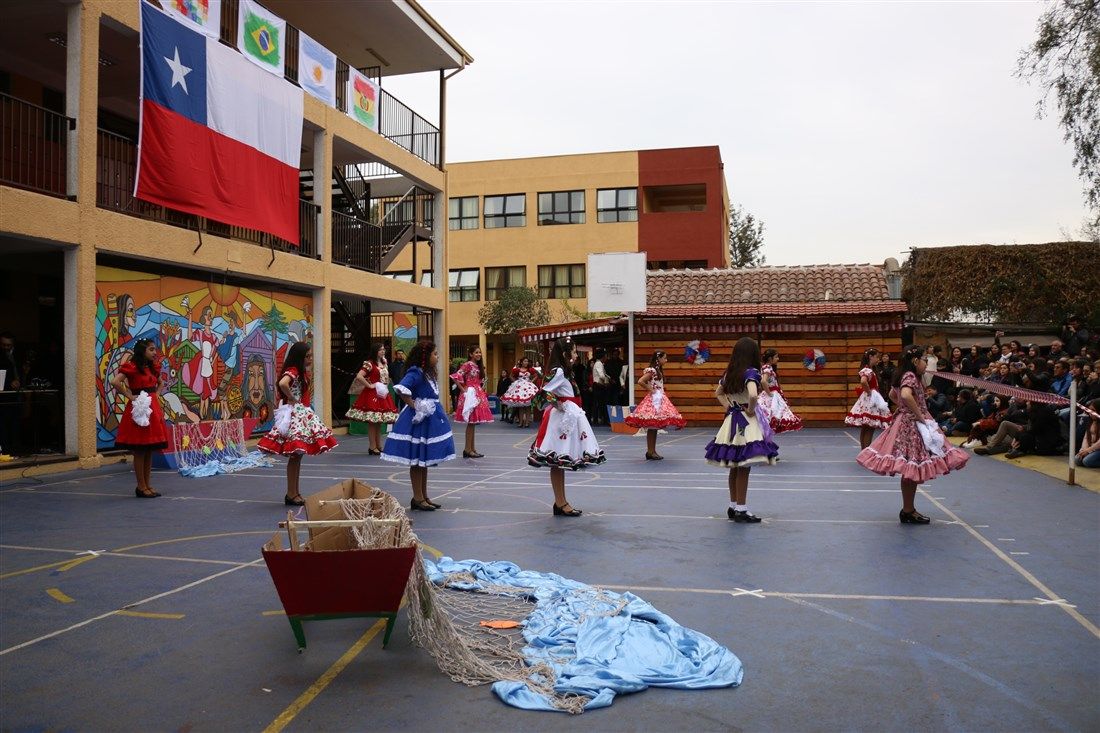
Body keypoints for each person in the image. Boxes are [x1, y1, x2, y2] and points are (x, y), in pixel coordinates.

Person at [856, 345, 969, 524]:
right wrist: (918, 414)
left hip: (906, 421)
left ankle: (908, 509)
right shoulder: (910, 376)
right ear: (915, 361)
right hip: (912, 425)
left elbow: (893, 394)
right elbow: (906, 395)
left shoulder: (904, 375)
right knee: (912, 466)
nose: (926, 363)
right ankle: (908, 510)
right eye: (924, 359)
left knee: (910, 467)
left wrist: (903, 408)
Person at [528, 337, 606, 517]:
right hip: (561, 421)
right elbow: (543, 393)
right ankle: (560, 502)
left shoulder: (565, 371)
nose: (576, 355)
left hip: (568, 417)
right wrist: (559, 404)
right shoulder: (559, 371)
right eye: (574, 351)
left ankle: (561, 502)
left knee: (559, 462)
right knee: (557, 461)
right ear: (565, 354)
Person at [704, 337, 779, 523]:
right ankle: (741, 509)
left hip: (732, 419)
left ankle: (733, 505)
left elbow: (718, 393)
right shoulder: (751, 372)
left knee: (734, 465)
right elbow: (753, 394)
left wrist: (730, 407)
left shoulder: (729, 373)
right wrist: (750, 410)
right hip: (746, 420)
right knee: (744, 466)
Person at [257, 342, 338, 506]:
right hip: (296, 415)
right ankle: (291, 493)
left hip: (300, 413)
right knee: (295, 456)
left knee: (297, 457)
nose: (310, 359)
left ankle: (294, 492)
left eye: (310, 356)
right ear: (299, 357)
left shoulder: (300, 371)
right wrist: (292, 398)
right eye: (307, 356)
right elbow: (283, 383)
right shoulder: (293, 370)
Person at [381, 339, 455, 511]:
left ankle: (424, 496)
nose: (437, 357)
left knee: (424, 461)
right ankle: (418, 497)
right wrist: (415, 405)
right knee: (416, 460)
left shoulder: (428, 373)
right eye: (435, 354)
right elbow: (401, 389)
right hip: (419, 421)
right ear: (425, 356)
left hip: (430, 419)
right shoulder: (416, 372)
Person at [109, 338, 169, 498]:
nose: (154, 352)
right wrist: (129, 395)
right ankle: (141, 486)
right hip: (140, 409)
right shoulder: (132, 367)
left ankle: (148, 485)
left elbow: (161, 383)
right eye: (151, 349)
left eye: (155, 349)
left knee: (149, 450)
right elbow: (115, 381)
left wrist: (156, 395)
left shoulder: (152, 368)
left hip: (152, 408)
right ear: (142, 351)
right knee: (140, 450)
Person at [625, 350, 686, 459]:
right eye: (664, 358)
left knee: (654, 427)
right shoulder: (652, 370)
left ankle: (652, 451)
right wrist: (651, 389)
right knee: (652, 427)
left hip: (659, 398)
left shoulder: (657, 370)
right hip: (654, 400)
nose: (666, 360)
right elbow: (640, 381)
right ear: (658, 359)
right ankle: (650, 451)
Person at [345, 343, 400, 455]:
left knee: (379, 421)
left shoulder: (384, 363)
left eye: (383, 349)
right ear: (375, 351)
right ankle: (372, 446)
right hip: (373, 394)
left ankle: (378, 445)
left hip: (382, 393)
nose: (383, 351)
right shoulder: (369, 363)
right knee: (373, 421)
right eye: (380, 350)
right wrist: (369, 385)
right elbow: (359, 376)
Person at [449, 345, 494, 458]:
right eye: (476, 352)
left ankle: (471, 449)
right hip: (470, 394)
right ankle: (467, 449)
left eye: (479, 352)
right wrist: (463, 389)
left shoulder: (478, 366)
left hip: (477, 393)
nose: (479, 354)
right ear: (470, 354)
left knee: (473, 422)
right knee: (471, 422)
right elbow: (456, 376)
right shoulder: (468, 364)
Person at [845, 348, 892, 450]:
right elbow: (863, 381)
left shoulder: (869, 369)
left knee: (866, 428)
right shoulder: (868, 370)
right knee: (870, 427)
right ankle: (866, 451)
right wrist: (870, 393)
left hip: (868, 400)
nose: (878, 359)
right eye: (877, 357)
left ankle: (864, 450)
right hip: (870, 401)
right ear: (871, 357)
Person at [760, 348, 803, 433]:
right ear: (770, 358)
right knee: (775, 413)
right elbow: (763, 381)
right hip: (772, 394)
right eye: (776, 357)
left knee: (773, 414)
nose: (778, 359)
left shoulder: (767, 367)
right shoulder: (768, 367)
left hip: (773, 392)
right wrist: (769, 393)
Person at [501, 357, 539, 428]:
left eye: (527, 361)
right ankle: (521, 422)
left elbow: (536, 376)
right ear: (521, 362)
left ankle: (527, 422)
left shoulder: (530, 369)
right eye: (525, 361)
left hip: (527, 388)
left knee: (528, 405)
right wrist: (516, 382)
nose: (526, 363)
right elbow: (511, 376)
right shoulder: (517, 370)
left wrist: (531, 381)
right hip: (519, 388)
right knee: (521, 406)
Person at [590, 347, 610, 426]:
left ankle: (598, 419)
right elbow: (601, 376)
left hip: (598, 386)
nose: (606, 357)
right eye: (605, 356)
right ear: (603, 356)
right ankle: (599, 420)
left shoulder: (599, 363)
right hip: (598, 385)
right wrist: (607, 380)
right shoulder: (599, 363)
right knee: (600, 403)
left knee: (599, 403)